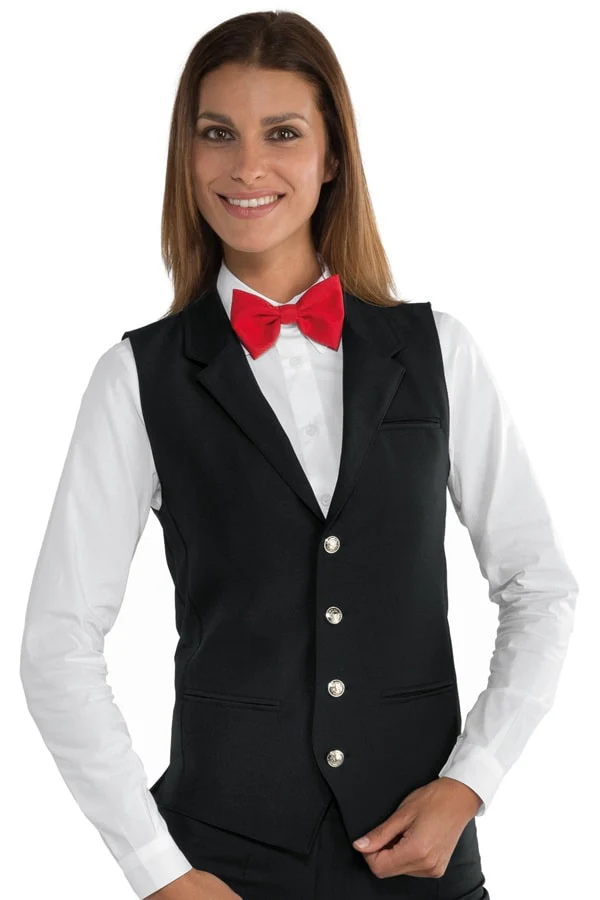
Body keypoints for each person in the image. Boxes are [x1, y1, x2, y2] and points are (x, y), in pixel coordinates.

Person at [20, 10, 579, 900]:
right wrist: (158, 871)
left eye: (282, 133)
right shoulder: (135, 378)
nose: (247, 167)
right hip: (219, 868)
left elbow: (540, 586)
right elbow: (57, 644)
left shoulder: (439, 352)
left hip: (423, 862)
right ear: (186, 156)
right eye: (217, 134)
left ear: (332, 157)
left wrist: (471, 782)